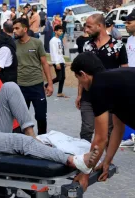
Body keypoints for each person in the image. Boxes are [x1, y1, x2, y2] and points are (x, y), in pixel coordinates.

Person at [71, 51, 135, 191]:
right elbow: (118, 129)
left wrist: (85, 173)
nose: (80, 83)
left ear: (83, 74)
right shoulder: (114, 82)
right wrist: (107, 161)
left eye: (78, 78)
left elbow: (100, 139)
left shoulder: (98, 88)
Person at [77, 14, 128, 142]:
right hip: (89, 96)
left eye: (89, 26)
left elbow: (124, 71)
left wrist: (122, 96)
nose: (86, 30)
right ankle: (84, 159)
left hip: (110, 97)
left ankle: (106, 161)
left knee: (108, 132)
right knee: (87, 129)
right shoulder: (87, 46)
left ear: (99, 26)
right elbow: (81, 72)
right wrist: (79, 94)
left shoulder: (118, 45)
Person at [13, 18, 53, 135]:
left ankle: (42, 139)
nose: (14, 31)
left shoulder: (37, 43)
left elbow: (45, 63)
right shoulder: (13, 45)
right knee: (20, 118)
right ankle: (22, 143)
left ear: (25, 29)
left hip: (37, 86)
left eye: (17, 28)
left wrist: (50, 84)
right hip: (20, 87)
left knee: (41, 116)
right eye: (13, 28)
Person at [46, 25, 68, 98]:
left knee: (63, 77)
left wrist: (63, 61)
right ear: (55, 31)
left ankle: (60, 92)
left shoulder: (59, 40)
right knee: (59, 78)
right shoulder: (53, 41)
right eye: (60, 31)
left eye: (62, 31)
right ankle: (46, 86)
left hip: (61, 60)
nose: (61, 32)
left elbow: (60, 52)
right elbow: (53, 52)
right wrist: (56, 63)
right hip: (57, 61)